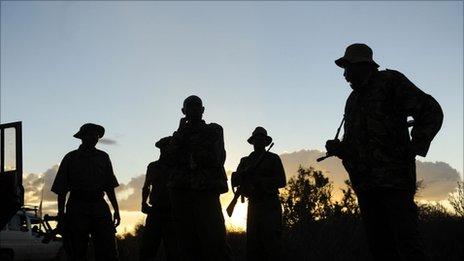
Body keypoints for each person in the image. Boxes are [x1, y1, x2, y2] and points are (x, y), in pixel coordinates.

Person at [325, 43, 443, 261]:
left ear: (361, 65)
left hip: (394, 183)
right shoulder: (352, 101)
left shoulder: (390, 82)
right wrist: (340, 149)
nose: (344, 74)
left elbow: (431, 111)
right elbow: (356, 144)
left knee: (407, 243)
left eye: (347, 67)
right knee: (379, 247)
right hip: (366, 186)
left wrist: (414, 146)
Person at [167, 95, 231, 261]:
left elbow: (215, 158)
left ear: (203, 110)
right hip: (182, 193)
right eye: (190, 107)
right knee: (186, 242)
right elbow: (168, 159)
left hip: (205, 190)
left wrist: (186, 153)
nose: (194, 110)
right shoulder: (178, 135)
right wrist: (181, 133)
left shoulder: (214, 129)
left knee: (214, 239)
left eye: (197, 107)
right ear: (183, 111)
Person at [51, 123, 120, 261]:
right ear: (82, 137)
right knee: (77, 250)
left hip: (100, 206)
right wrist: (61, 217)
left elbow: (109, 186)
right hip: (77, 207)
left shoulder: (103, 157)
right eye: (90, 134)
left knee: (107, 250)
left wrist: (116, 210)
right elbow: (62, 189)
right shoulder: (70, 158)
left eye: (96, 135)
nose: (94, 137)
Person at [232, 127, 286, 261]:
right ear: (253, 141)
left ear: (266, 142)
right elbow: (235, 180)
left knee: (272, 242)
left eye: (262, 139)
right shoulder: (245, 161)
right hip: (254, 205)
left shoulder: (273, 158)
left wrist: (262, 181)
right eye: (257, 139)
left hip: (270, 204)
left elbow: (282, 181)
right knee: (253, 243)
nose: (259, 141)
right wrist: (245, 174)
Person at [139, 136, 178, 261]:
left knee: (174, 249)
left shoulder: (178, 166)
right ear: (162, 149)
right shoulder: (153, 166)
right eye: (167, 147)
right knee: (148, 248)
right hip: (156, 211)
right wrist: (143, 203)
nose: (170, 150)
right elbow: (146, 186)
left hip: (173, 211)